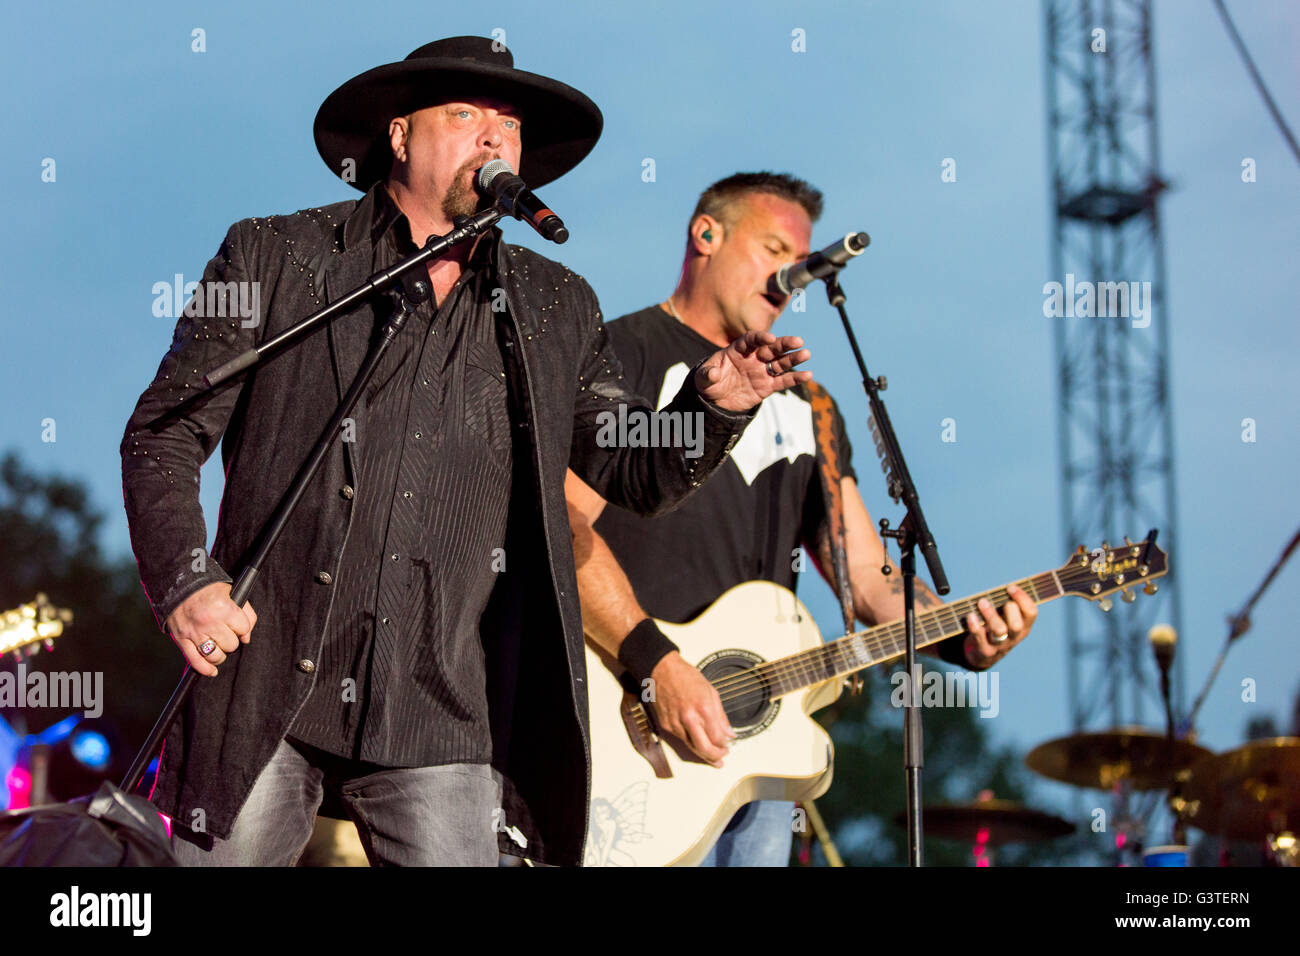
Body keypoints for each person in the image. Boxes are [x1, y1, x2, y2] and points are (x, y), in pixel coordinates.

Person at [120, 39, 813, 867]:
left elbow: (631, 469)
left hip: (439, 708)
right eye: (465, 114)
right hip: (264, 680)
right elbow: (167, 431)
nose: (494, 138)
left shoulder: (555, 303)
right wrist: (188, 582)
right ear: (401, 136)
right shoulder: (278, 256)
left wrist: (710, 407)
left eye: (509, 125)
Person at [566, 172, 1039, 866]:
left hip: (761, 757)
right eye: (772, 249)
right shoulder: (622, 354)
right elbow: (563, 532)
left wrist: (961, 638)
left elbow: (872, 581)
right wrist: (657, 668)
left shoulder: (808, 407)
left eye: (802, 263)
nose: (791, 276)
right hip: (626, 732)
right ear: (705, 234)